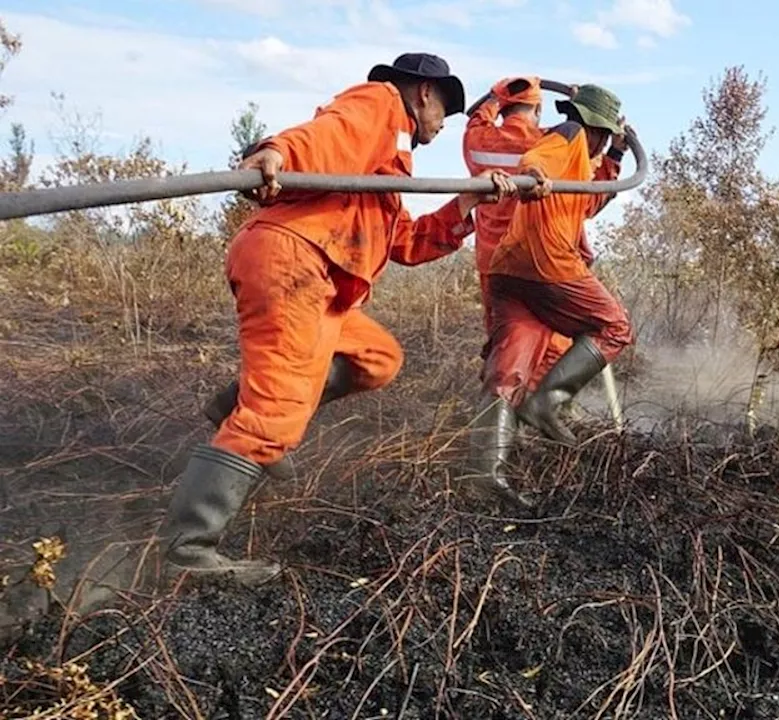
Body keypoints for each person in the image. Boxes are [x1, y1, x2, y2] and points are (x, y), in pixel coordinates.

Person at [158, 52, 518, 587]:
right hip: (293, 262)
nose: (443, 125)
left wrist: (465, 205)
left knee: (377, 359)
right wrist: (275, 152)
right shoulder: (378, 107)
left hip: (322, 282)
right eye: (445, 109)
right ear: (423, 93)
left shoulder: (389, 167)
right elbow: (325, 135)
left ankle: (238, 406)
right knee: (275, 412)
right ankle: (188, 551)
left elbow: (407, 243)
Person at [466, 83, 633, 508]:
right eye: (605, 139)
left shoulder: (581, 163)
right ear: (597, 127)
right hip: (547, 264)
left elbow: (589, 203)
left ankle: (485, 477)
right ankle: (547, 404)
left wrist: (614, 156)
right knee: (614, 326)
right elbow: (539, 156)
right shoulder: (570, 135)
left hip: (508, 270)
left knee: (507, 371)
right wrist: (536, 172)